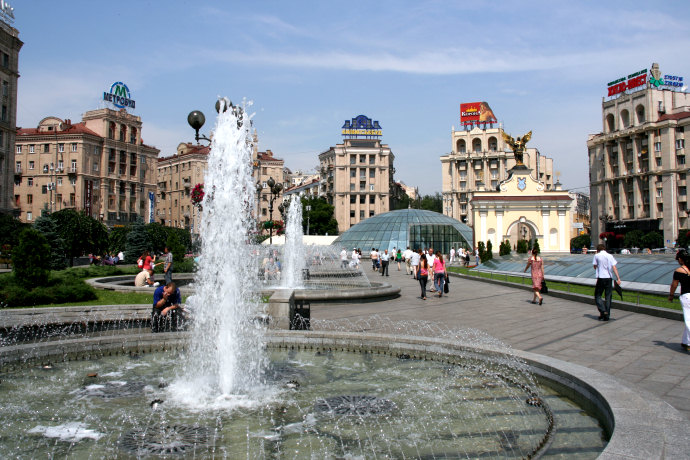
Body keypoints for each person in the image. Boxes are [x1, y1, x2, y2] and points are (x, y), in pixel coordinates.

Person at [593, 243, 621, 321]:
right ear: (604, 249)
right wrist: (618, 278)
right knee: (608, 297)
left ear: (598, 250)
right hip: (609, 278)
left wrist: (598, 267)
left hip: (601, 278)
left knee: (598, 295)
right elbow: (614, 267)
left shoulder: (596, 256)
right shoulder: (610, 256)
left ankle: (603, 310)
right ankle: (606, 316)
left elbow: (594, 266)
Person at [668, 250, 690, 351]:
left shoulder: (679, 271)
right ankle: (686, 342)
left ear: (681, 259)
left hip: (686, 296)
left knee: (688, 320)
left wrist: (671, 295)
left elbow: (674, 284)